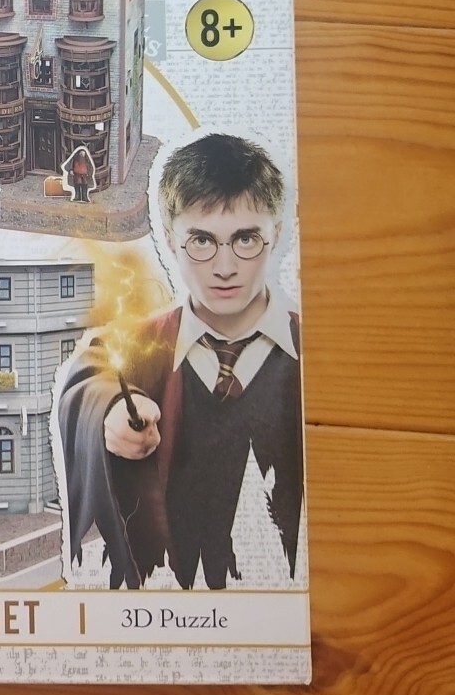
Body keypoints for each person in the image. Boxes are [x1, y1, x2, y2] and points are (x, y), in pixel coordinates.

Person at [58, 133, 303, 590]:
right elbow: (93, 376)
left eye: (246, 239)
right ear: (170, 241)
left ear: (277, 234)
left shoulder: (314, 356)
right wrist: (110, 412)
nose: (225, 266)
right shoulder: (137, 347)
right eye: (202, 241)